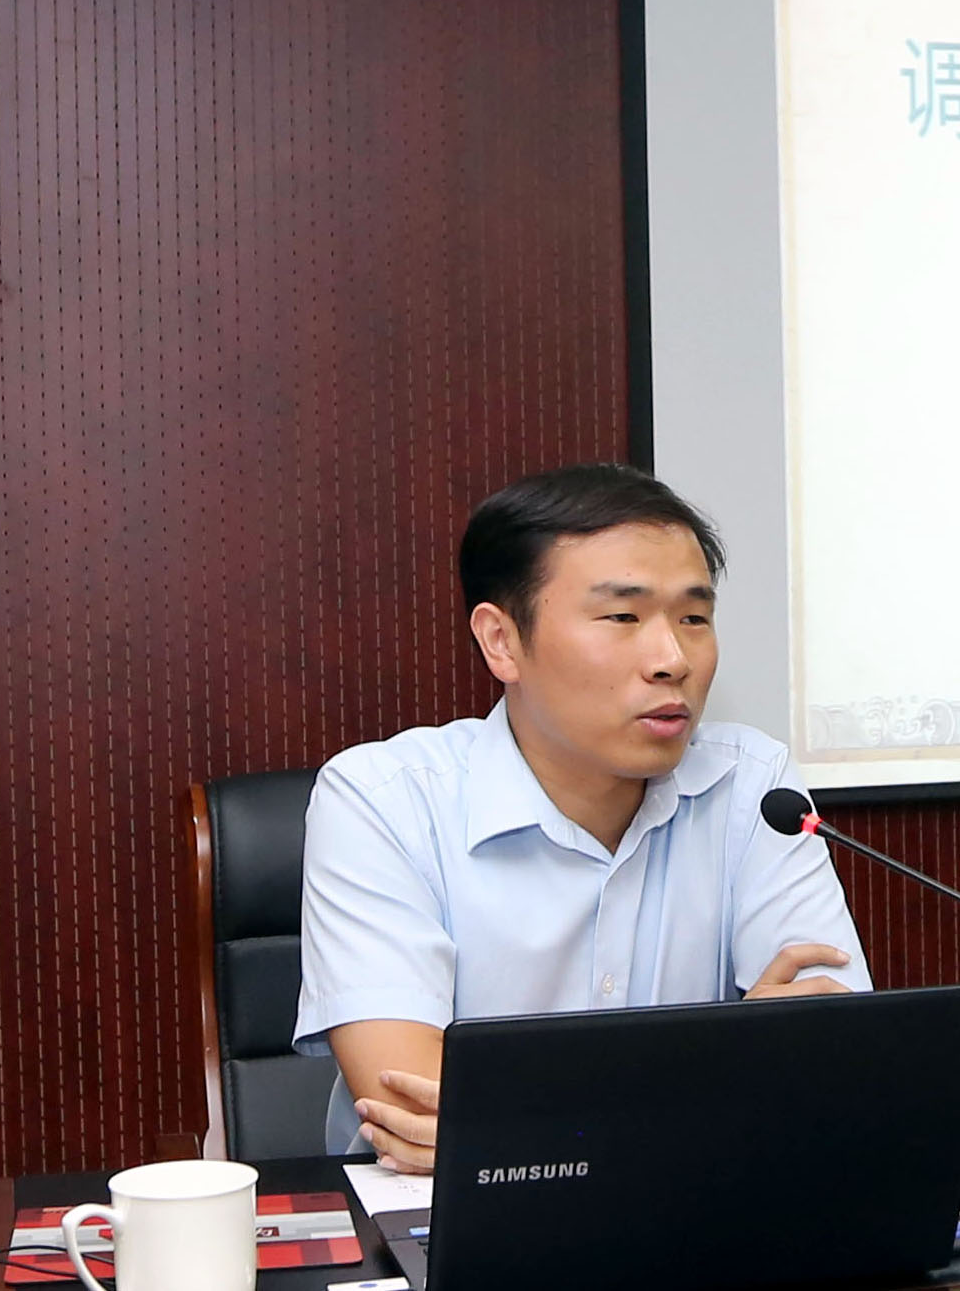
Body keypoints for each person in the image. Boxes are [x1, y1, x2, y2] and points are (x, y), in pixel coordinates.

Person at [291, 464, 873, 1173]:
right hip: (450, 1219)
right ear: (502, 641)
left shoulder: (754, 788)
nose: (671, 659)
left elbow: (835, 1063)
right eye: (623, 618)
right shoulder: (382, 799)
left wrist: (517, 1126)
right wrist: (725, 1081)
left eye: (693, 618)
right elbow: (411, 1103)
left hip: (699, 1209)